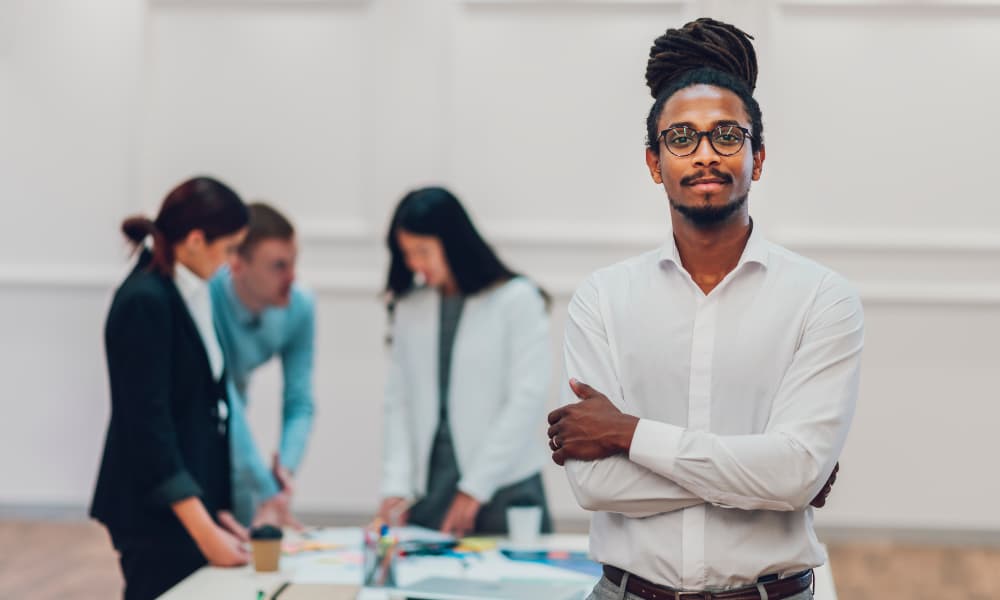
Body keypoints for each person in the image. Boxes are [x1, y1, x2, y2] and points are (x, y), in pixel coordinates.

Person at [545, 18, 863, 600]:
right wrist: (767, 479)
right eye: (681, 137)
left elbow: (794, 474)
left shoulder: (822, 298)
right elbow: (594, 484)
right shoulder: (603, 298)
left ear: (758, 157)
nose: (705, 155)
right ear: (653, 162)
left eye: (727, 135)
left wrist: (629, 433)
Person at [90, 176, 251, 600]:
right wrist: (205, 532)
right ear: (196, 240)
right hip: (153, 513)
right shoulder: (146, 300)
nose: (234, 262)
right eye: (231, 248)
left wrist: (215, 514)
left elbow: (200, 410)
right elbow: (149, 431)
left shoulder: (190, 290)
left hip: (186, 507)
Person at [376, 186, 553, 537]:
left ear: (452, 243)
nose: (414, 264)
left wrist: (475, 487)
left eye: (423, 251)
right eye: (407, 253)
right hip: (431, 490)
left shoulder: (516, 300)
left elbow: (526, 399)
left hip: (505, 485)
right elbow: (398, 402)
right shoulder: (410, 307)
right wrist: (395, 484)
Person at [210, 202, 315, 529]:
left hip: (233, 426)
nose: (291, 277)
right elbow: (222, 394)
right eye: (278, 266)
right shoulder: (206, 296)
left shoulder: (300, 307)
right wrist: (266, 489)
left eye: (294, 263)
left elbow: (299, 402)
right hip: (201, 424)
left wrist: (284, 471)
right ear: (237, 264)